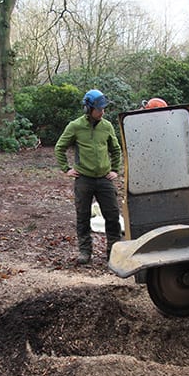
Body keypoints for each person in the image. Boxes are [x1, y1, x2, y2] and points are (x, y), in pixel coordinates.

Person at [54, 89, 122, 265]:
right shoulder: (75, 126)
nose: (102, 112)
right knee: (83, 216)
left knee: (113, 216)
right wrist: (66, 168)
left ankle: (113, 252)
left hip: (105, 179)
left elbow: (116, 149)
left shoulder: (107, 126)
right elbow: (59, 147)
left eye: (103, 108)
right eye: (99, 108)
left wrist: (115, 169)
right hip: (84, 179)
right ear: (88, 109)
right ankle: (85, 251)